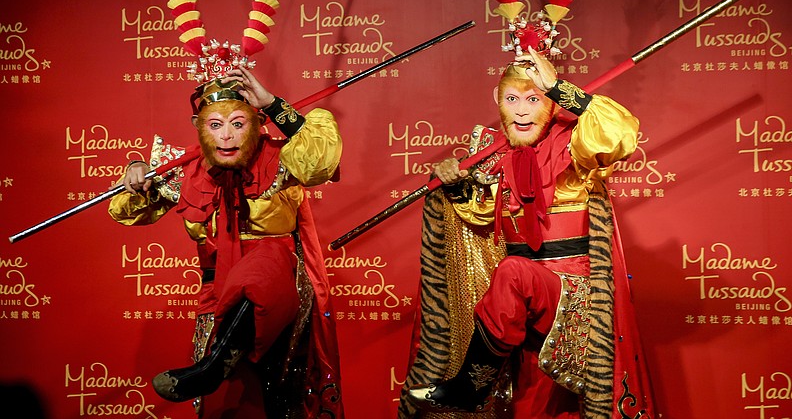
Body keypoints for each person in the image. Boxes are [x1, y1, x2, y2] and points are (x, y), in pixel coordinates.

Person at [398, 45, 656, 418]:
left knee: (514, 271)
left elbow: (619, 134)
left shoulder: (575, 144)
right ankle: (478, 382)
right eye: (512, 98)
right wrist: (453, 182)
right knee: (532, 408)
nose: (521, 110)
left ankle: (471, 386)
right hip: (518, 307)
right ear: (497, 100)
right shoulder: (491, 153)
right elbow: (477, 215)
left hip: (573, 294)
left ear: (550, 101)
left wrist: (560, 87)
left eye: (533, 99)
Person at [109, 62, 344, 417]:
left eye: (238, 124)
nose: (226, 137)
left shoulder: (282, 157)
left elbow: (319, 164)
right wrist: (136, 172)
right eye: (215, 126)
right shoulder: (187, 170)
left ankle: (214, 366)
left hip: (279, 289)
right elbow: (125, 210)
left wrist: (271, 103)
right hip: (217, 290)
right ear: (199, 128)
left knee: (265, 274)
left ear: (256, 122)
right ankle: (217, 364)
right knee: (229, 406)